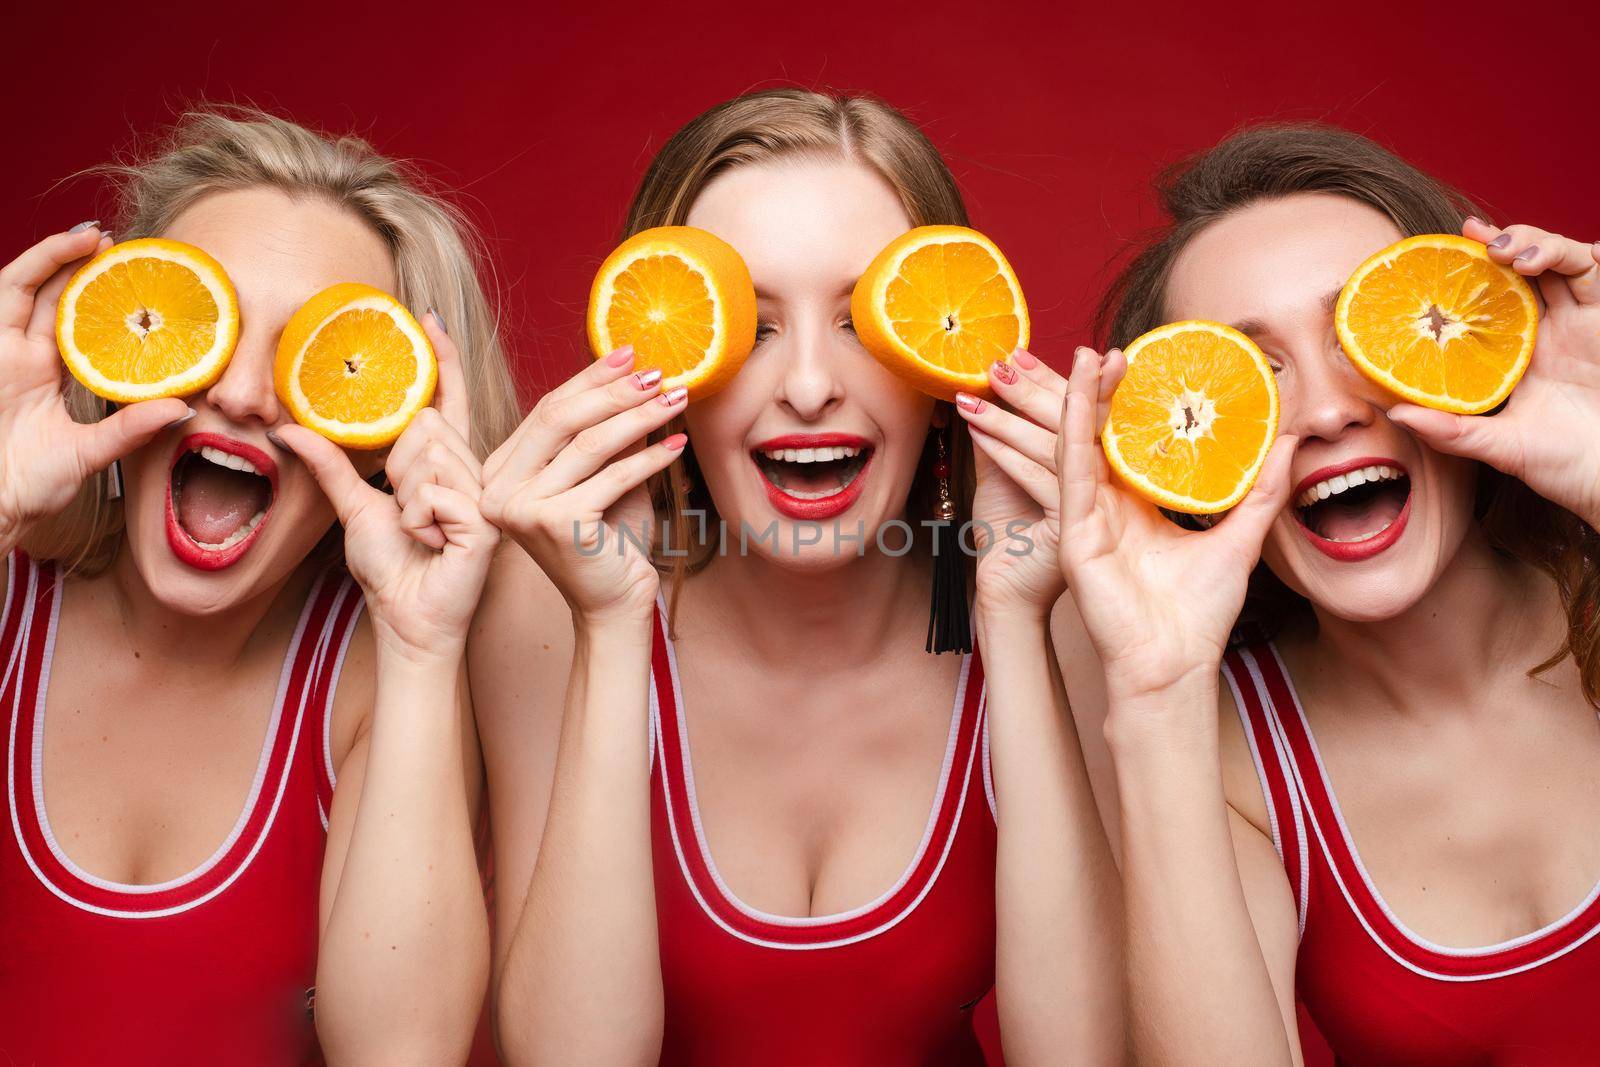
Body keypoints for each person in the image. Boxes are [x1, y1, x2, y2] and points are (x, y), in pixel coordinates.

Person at [472, 88, 1122, 1065]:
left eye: (865, 321)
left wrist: (1017, 622)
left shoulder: (1069, 604)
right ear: (656, 359)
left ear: (948, 362)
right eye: (754, 324)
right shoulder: (540, 604)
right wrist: (610, 627)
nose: (811, 385)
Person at [1057, 123, 1600, 1064]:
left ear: (1475, 351)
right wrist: (1152, 695)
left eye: (1363, 332)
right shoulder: (1232, 763)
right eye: (1253, 373)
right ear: (1190, 451)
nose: (1325, 410)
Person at [0, 109, 519, 1064]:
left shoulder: (372, 685)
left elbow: (402, 1055)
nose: (241, 394)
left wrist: (420, 646)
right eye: (207, 324)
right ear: (111, 350)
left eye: (316, 355)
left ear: (392, 429)